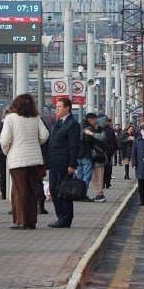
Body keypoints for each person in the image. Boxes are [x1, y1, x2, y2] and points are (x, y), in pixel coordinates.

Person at [0, 93, 49, 230]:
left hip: (18, 159)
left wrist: (7, 151)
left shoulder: (10, 118)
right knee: (31, 190)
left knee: (19, 190)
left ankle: (21, 221)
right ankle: (31, 221)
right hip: (35, 159)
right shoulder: (36, 118)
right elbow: (45, 135)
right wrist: (36, 143)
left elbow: (4, 140)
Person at [45, 97, 82, 228]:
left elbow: (74, 146)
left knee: (64, 191)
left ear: (67, 108)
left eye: (60, 107)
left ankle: (65, 218)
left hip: (64, 164)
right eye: (56, 107)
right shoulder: (57, 123)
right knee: (54, 190)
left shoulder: (72, 124)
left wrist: (72, 164)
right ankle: (60, 216)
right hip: (54, 163)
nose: (57, 109)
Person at [98, 115, 118, 196]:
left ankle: (102, 183)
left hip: (101, 152)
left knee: (101, 168)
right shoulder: (110, 130)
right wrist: (115, 149)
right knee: (109, 167)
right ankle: (108, 183)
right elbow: (114, 141)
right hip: (109, 152)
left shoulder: (99, 130)